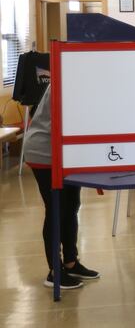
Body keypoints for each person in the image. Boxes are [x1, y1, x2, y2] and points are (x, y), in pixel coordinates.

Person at [22, 85, 100, 290]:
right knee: (57, 209)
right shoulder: (66, 73)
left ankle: (71, 263)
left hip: (65, 152)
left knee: (71, 205)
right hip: (45, 150)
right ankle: (54, 271)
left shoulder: (77, 72)